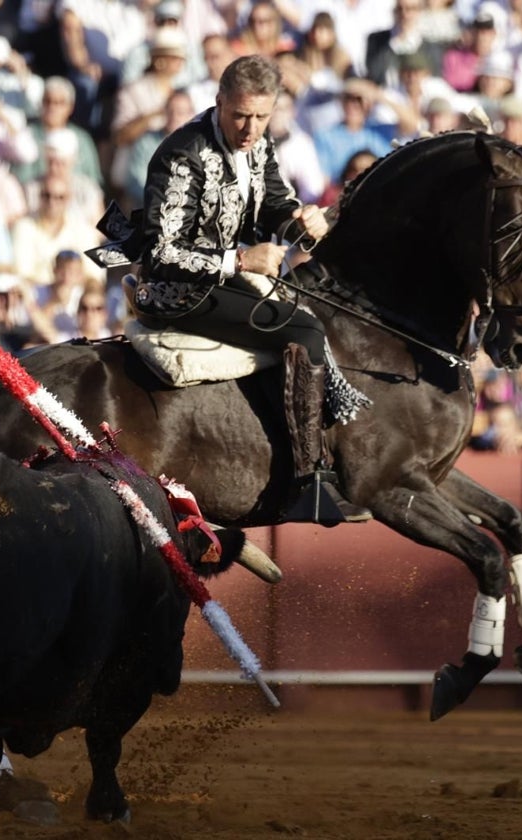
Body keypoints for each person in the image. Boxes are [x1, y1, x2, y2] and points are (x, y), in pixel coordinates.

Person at [104, 54, 369, 525]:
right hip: (177, 292)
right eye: (240, 115)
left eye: (261, 117)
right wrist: (240, 259)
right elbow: (162, 253)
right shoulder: (181, 154)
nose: (249, 128)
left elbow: (275, 206)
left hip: (223, 280)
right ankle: (309, 483)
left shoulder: (260, 145)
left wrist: (303, 222)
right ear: (219, 101)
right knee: (306, 332)